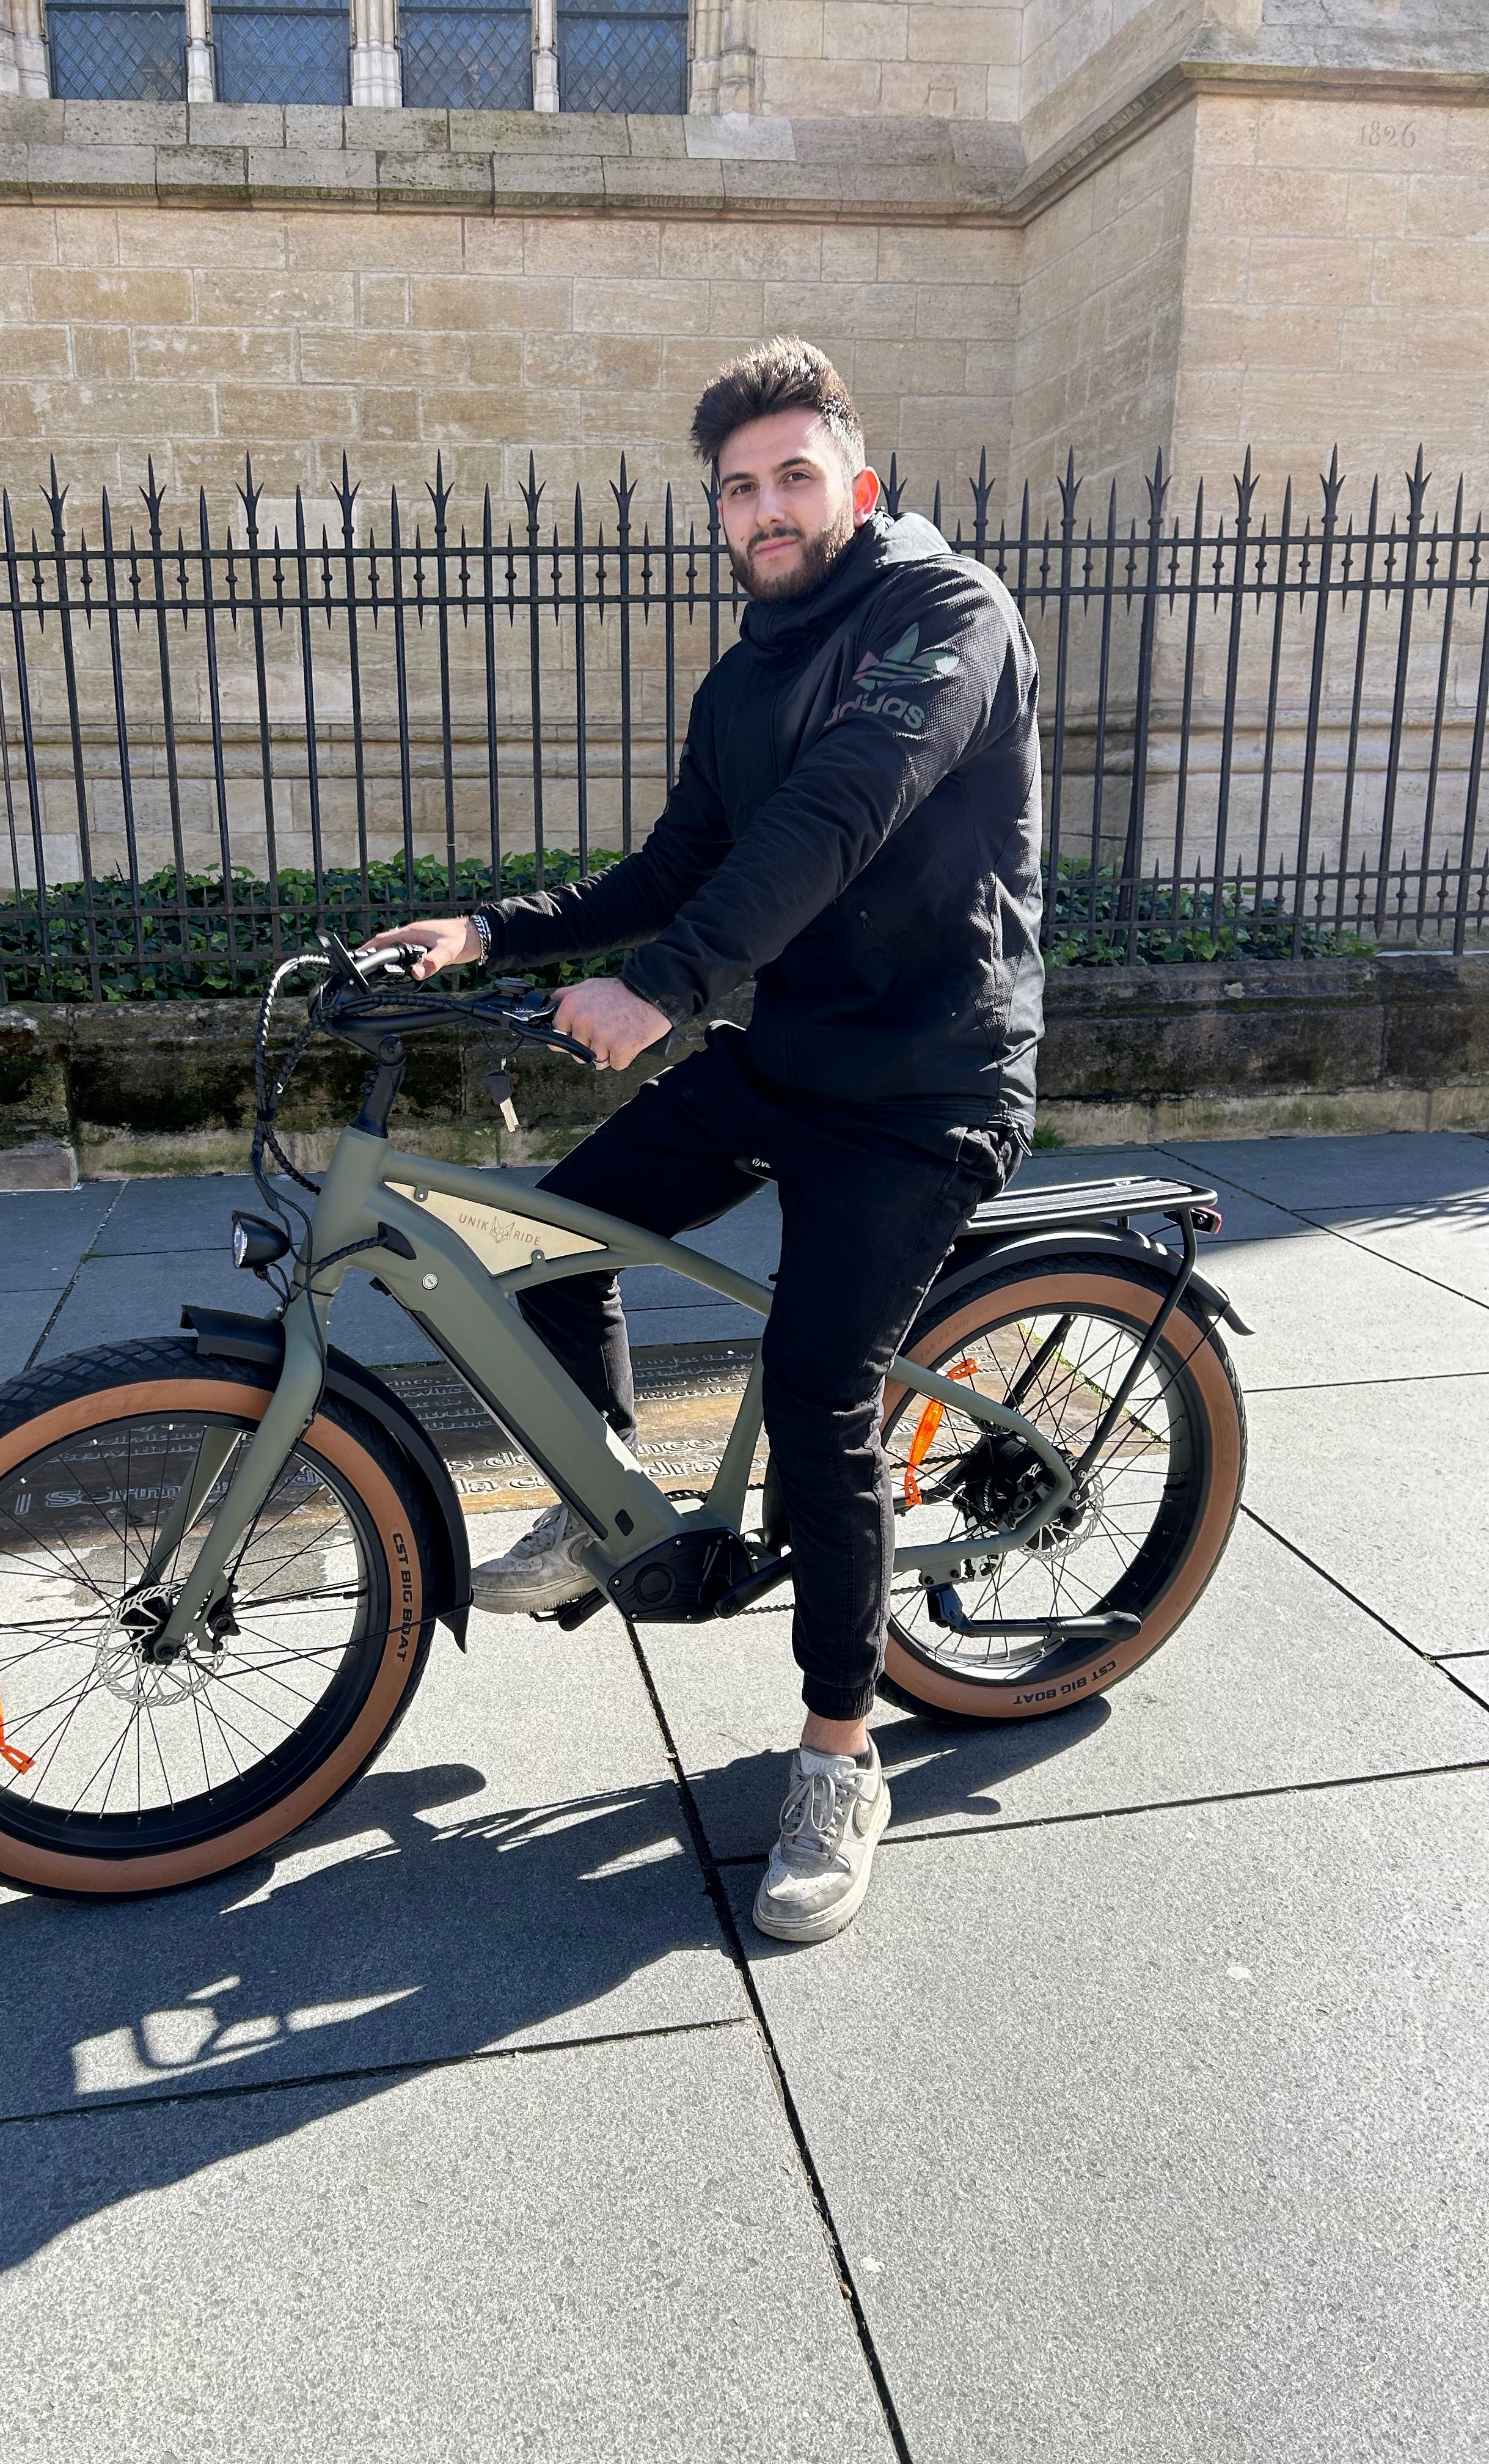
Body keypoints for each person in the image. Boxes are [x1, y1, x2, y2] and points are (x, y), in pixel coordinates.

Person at [363, 337, 1043, 1945]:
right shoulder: (744, 675)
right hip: (790, 1055)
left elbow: (847, 809)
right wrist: (487, 927)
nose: (764, 506)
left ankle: (836, 1756)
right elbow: (674, 865)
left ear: (856, 483)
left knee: (818, 1390)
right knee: (540, 1243)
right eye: (738, 488)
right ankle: (608, 1520)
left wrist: (664, 990)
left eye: (793, 475)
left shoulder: (948, 619)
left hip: (930, 1085)